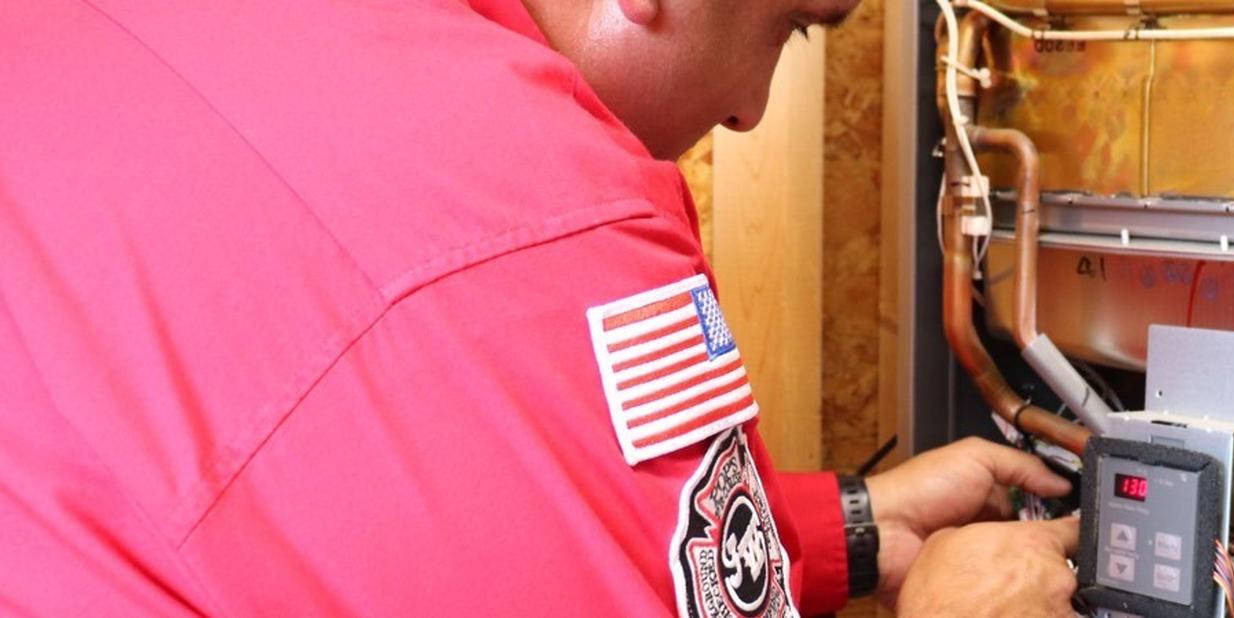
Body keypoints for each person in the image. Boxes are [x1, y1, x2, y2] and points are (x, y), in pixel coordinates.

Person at [0, 0, 1081, 615]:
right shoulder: (543, 220)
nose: (751, 110)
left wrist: (848, 525)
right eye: (789, 28)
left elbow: (395, 523)